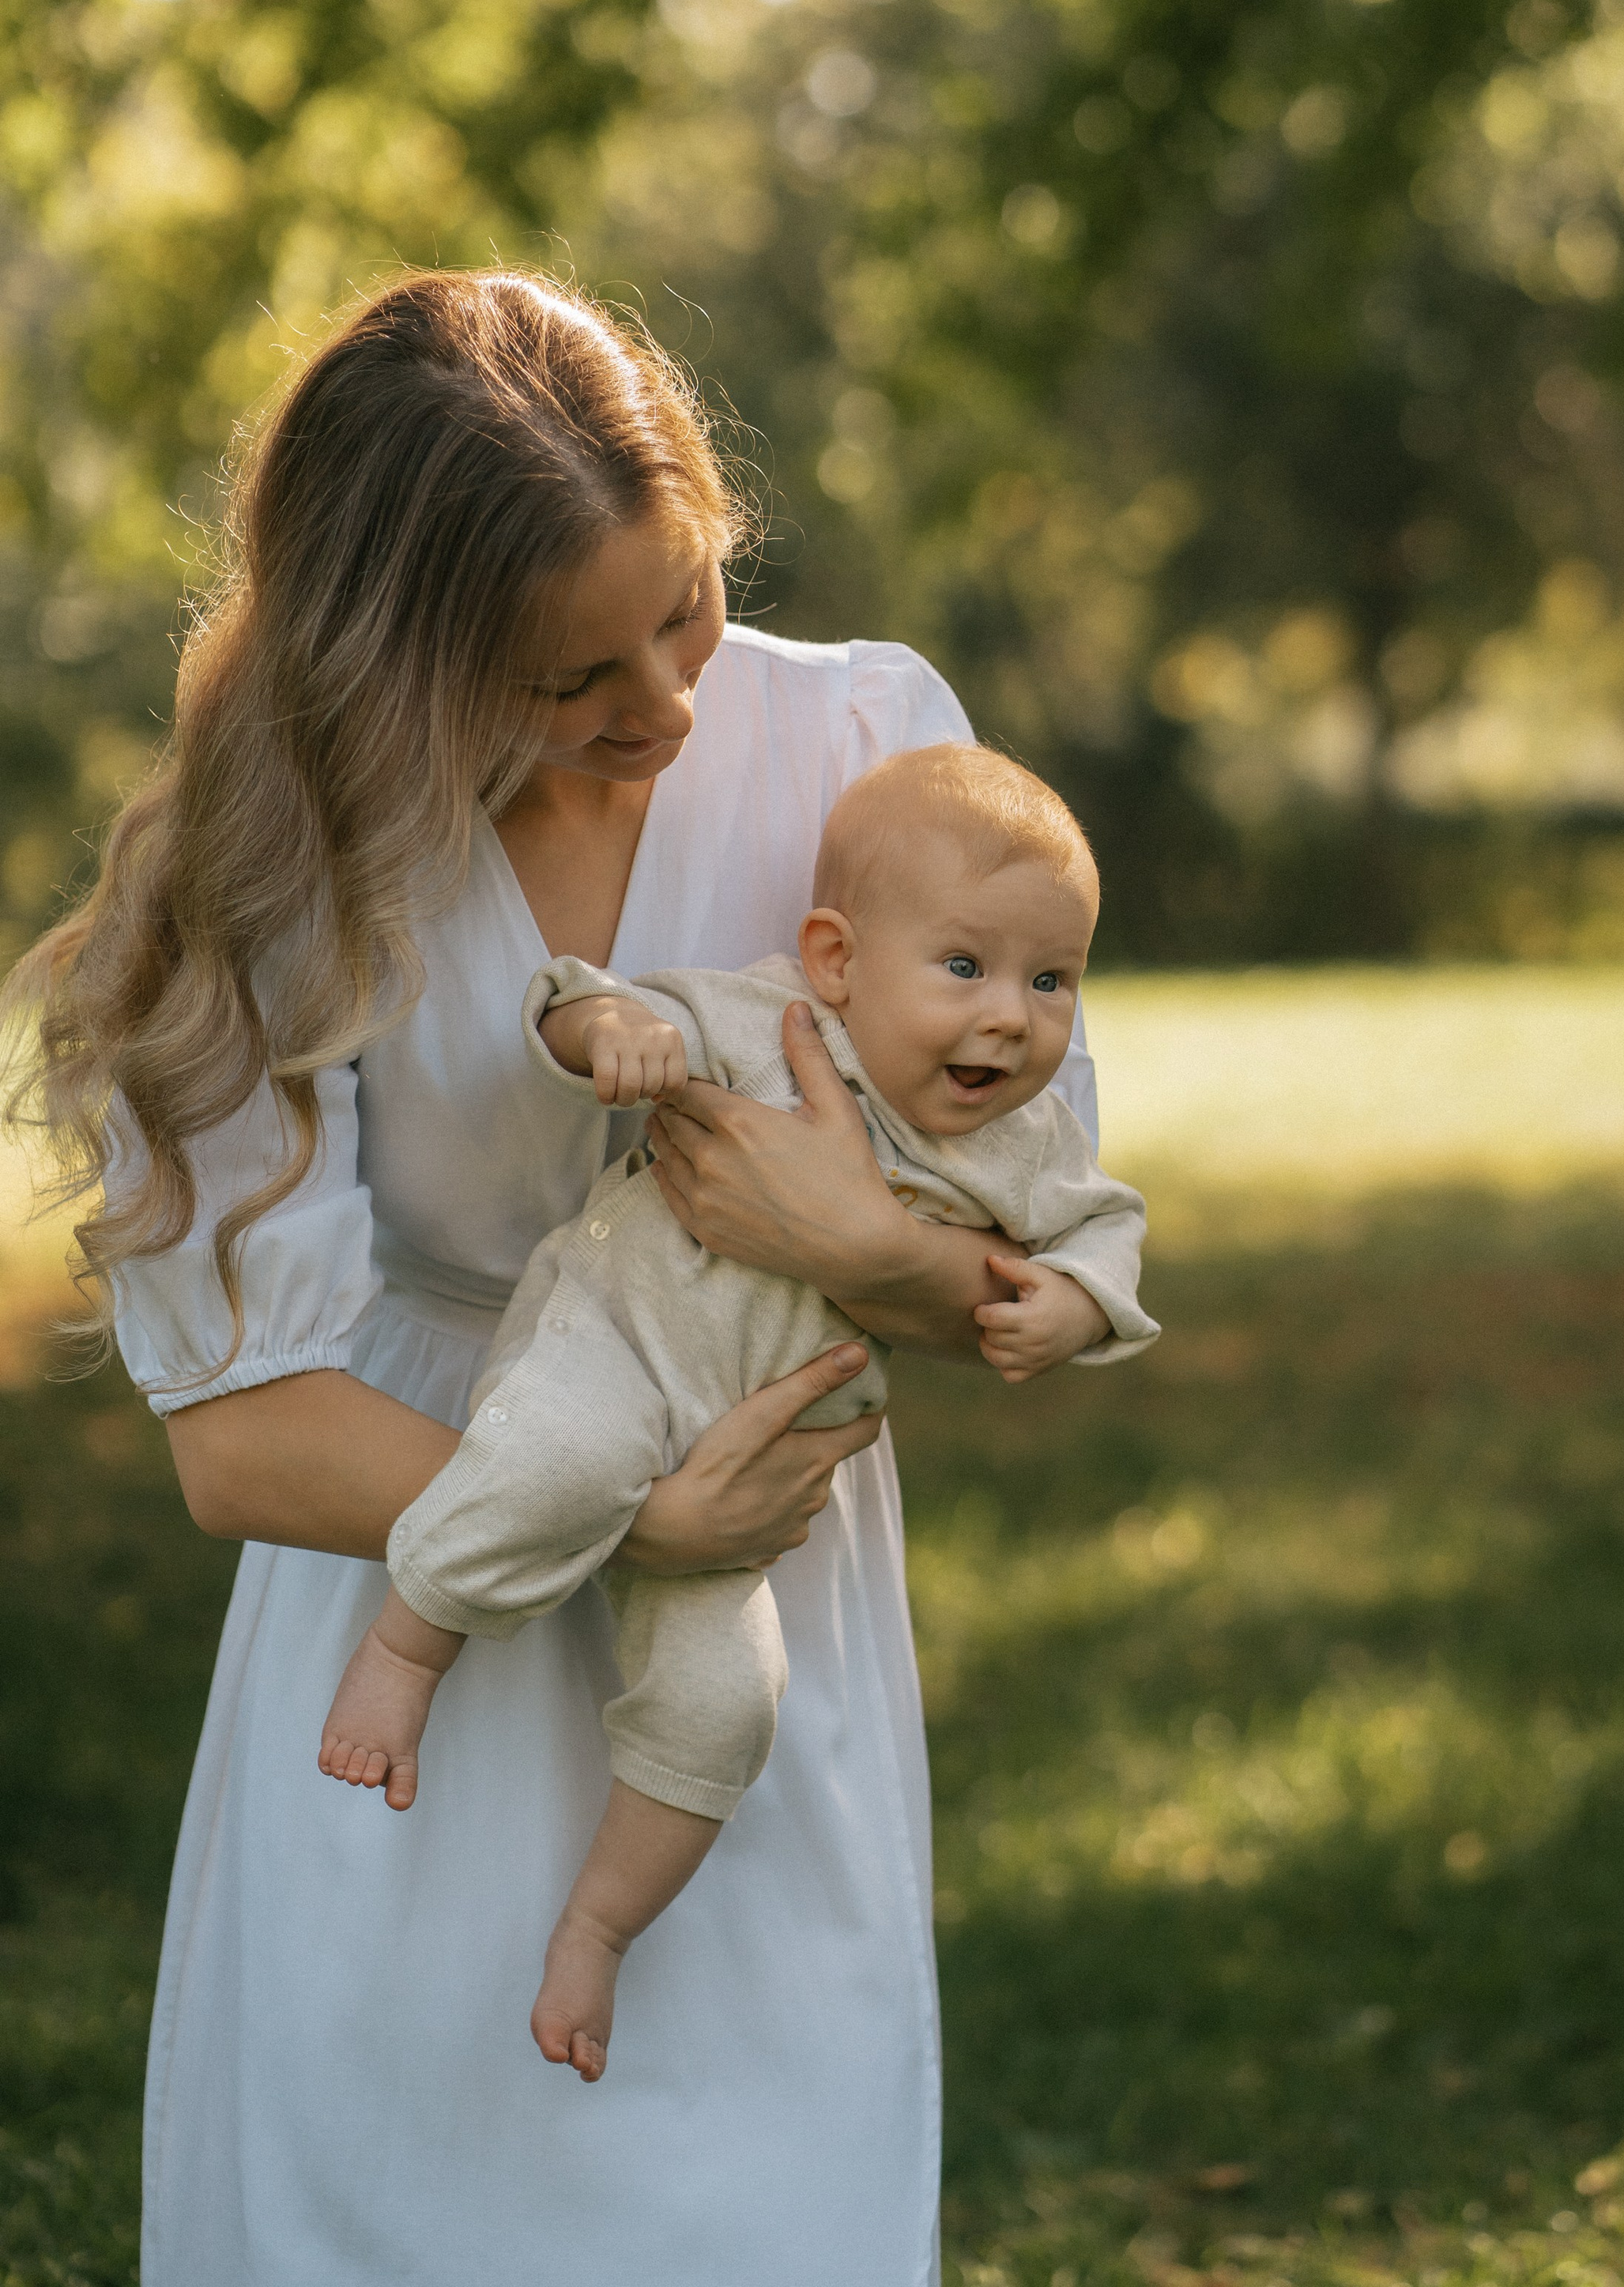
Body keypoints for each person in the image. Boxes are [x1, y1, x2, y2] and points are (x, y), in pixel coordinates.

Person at [6, 269, 1093, 2287]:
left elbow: (1022, 1228)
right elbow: (241, 1437)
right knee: (398, 2206)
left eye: (680, 606)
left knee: (766, 2206)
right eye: (566, 675)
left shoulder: (869, 742)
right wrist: (617, 1515)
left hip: (765, 1612)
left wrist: (843, 1245)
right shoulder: (284, 852)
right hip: (408, 1600)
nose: (666, 710)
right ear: (397, 659)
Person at [318, 743, 1156, 2082]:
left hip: (753, 1483)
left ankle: (599, 1926)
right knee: (560, 1456)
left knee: (731, 1697)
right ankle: (412, 1650)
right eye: (967, 969)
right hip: (618, 1346)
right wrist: (612, 1035)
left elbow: (1106, 1234)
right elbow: (567, 1001)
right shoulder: (768, 1026)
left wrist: (1072, 1302)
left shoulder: (1024, 1142)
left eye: (1051, 980)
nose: (1012, 1018)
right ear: (834, 958)